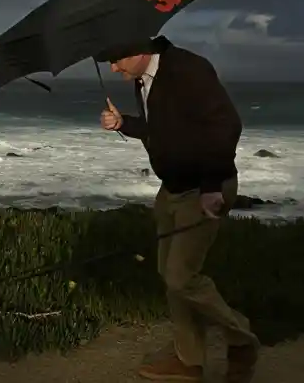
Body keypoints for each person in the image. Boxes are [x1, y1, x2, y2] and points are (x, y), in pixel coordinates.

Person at [98, 35, 259, 383]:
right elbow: (161, 129)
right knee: (170, 276)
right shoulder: (143, 77)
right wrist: (123, 123)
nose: (112, 67)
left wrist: (212, 185)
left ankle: (241, 340)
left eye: (115, 58)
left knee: (181, 277)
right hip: (172, 190)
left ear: (140, 48)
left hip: (202, 189)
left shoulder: (188, 69)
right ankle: (189, 360)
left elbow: (226, 125)